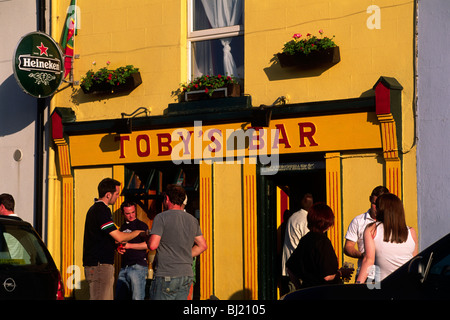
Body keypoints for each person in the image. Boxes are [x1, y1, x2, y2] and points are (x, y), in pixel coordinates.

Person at [83, 178, 145, 300]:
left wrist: (115, 246)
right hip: (99, 266)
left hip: (99, 266)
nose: (118, 197)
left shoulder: (97, 210)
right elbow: (119, 236)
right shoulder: (101, 210)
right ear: (108, 195)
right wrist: (138, 232)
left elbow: (102, 238)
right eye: (116, 194)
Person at [148, 184, 207, 300]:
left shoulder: (161, 217)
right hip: (186, 275)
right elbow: (202, 245)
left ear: (167, 199)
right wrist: (183, 255)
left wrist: (148, 235)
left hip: (167, 274)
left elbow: (153, 245)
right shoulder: (192, 220)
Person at [286, 202, 353, 289]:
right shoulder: (323, 242)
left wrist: (299, 288)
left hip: (307, 292)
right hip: (323, 293)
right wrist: (341, 273)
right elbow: (327, 277)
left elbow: (290, 268)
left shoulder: (305, 239)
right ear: (327, 222)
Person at [356, 193, 418, 283]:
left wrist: (358, 285)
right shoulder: (411, 232)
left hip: (384, 286)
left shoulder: (372, 229)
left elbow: (368, 259)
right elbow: (414, 263)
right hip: (407, 285)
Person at [344, 186, 389, 277]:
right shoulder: (358, 221)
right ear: (370, 200)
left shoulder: (392, 222)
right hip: (367, 275)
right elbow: (348, 247)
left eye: (380, 205)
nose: (376, 207)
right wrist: (363, 255)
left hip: (387, 276)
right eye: (374, 203)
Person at [115, 201, 149, 300]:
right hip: (124, 267)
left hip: (137, 266)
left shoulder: (141, 225)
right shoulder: (122, 227)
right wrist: (119, 248)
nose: (131, 216)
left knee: (137, 298)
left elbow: (148, 245)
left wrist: (129, 246)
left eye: (133, 212)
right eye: (128, 213)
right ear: (122, 213)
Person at [281, 193, 313, 293]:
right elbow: (309, 246)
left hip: (289, 266)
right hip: (299, 269)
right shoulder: (306, 221)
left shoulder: (292, 217)